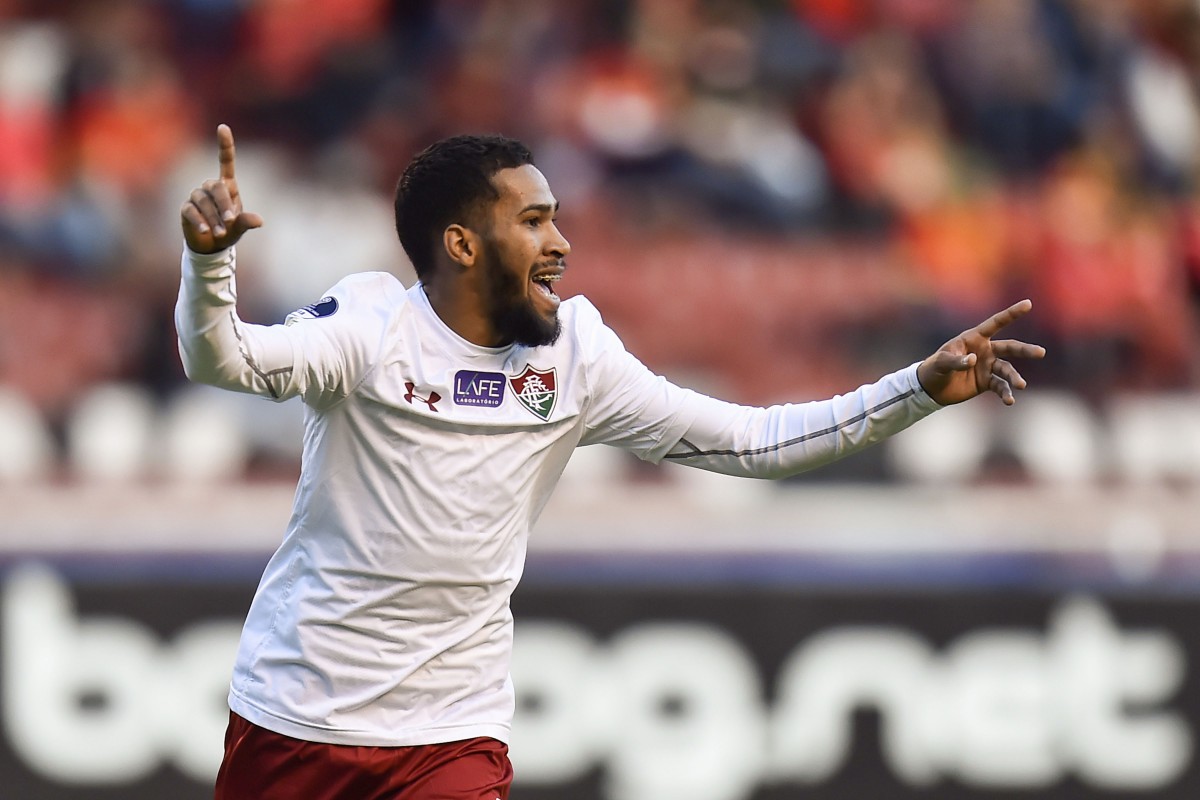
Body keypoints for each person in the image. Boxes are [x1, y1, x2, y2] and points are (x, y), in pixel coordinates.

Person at [176, 125, 1045, 800]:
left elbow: (754, 443)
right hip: (298, 715)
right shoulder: (371, 330)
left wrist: (916, 390)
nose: (560, 244)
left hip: (451, 731)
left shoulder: (576, 358)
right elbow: (228, 362)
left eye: (556, 217)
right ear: (463, 245)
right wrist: (210, 266)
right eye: (533, 220)